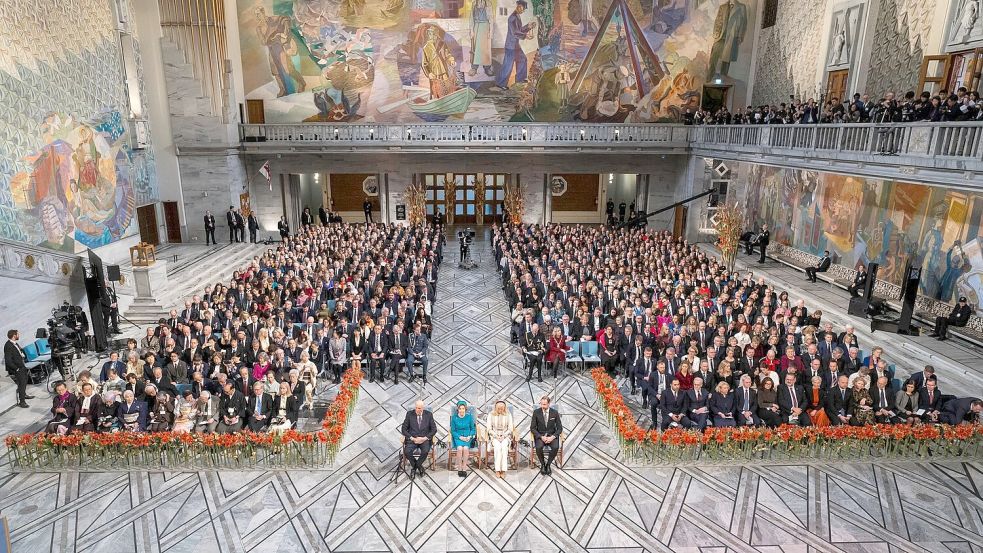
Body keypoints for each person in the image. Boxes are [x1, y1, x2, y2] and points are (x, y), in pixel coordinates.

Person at [493, 0, 535, 90]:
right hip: (510, 46)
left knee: (522, 59)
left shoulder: (517, 16)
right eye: (523, 9)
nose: (523, 11)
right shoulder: (512, 18)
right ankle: (500, 83)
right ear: (519, 7)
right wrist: (526, 36)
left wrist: (528, 26)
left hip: (515, 45)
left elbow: (519, 30)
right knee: (508, 65)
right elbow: (515, 33)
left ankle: (520, 79)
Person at [401, 401, 437, 479]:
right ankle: (419, 467)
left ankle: (414, 469)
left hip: (424, 439)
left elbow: (434, 429)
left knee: (425, 451)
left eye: (419, 408)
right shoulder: (409, 414)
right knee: (407, 451)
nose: (417, 410)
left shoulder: (429, 415)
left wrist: (424, 438)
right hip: (413, 439)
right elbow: (403, 429)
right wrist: (412, 438)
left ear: (423, 408)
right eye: (416, 408)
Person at [530, 396, 562, 475]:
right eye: (541, 404)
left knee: (555, 447)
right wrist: (541, 437)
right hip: (540, 435)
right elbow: (532, 428)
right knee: (539, 447)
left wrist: (552, 437)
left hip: (552, 435)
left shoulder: (554, 413)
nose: (542, 406)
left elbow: (560, 428)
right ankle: (543, 464)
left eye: (544, 404)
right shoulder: (536, 412)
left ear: (549, 404)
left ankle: (548, 464)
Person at [486, 400, 515, 479]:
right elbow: (489, 428)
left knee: (504, 448)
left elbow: (510, 428)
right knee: (498, 448)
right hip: (494, 436)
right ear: (496, 408)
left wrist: (504, 435)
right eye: (499, 408)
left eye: (502, 408)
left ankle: (503, 469)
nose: (500, 410)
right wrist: (496, 435)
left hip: (505, 436)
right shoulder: (491, 415)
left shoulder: (508, 415)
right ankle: (497, 469)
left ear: (504, 408)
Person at [5, 329, 31, 408]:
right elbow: (8, 360)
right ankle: (22, 402)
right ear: (14, 336)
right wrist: (16, 369)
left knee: (25, 380)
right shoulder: (8, 346)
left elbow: (18, 353)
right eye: (17, 334)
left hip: (21, 366)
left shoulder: (14, 343)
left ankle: (24, 394)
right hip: (17, 368)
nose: (18, 335)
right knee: (22, 383)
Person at [450, 401, 476, 477]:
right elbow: (453, 430)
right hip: (458, 437)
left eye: (463, 408)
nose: (461, 410)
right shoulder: (454, 418)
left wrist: (470, 436)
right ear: (457, 409)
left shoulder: (469, 417)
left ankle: (464, 467)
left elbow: (473, 429)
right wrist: (460, 437)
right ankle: (459, 467)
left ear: (465, 409)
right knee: (460, 448)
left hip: (467, 437)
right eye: (460, 409)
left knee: (465, 449)